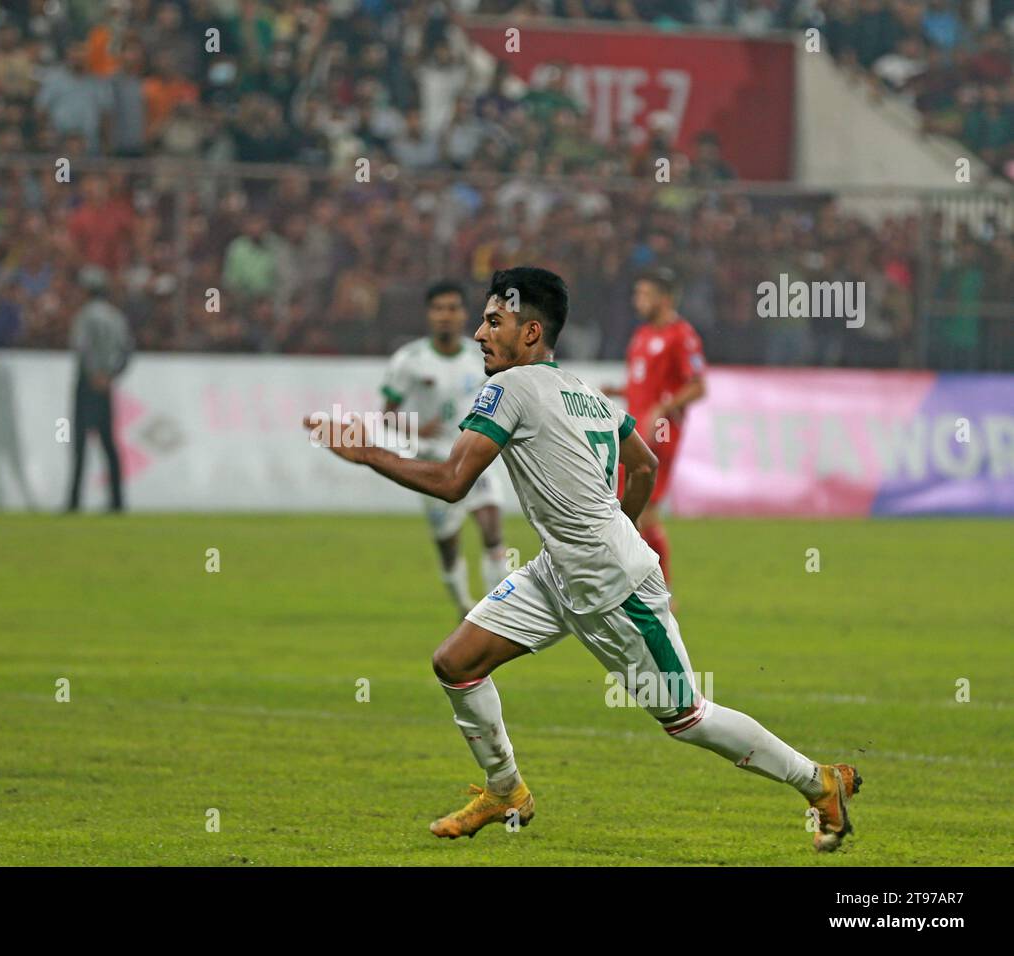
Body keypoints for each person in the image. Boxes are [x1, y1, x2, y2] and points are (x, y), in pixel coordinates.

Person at [305, 266, 861, 851]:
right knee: (457, 662)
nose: (478, 333)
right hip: (559, 570)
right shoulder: (584, 392)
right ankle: (505, 791)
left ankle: (818, 781)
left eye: (494, 321)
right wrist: (619, 523)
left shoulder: (510, 388)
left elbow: (450, 480)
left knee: (686, 717)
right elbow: (642, 464)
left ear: (530, 332)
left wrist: (363, 449)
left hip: (612, 587)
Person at [381, 281, 508, 615]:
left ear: (465, 314)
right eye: (439, 309)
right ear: (429, 315)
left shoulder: (482, 353)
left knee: (492, 527)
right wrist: (414, 427)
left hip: (475, 455)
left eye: (452, 308)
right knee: (449, 545)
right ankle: (465, 605)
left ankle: (500, 613)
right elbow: (387, 416)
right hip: (433, 461)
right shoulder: (409, 360)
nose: (445, 316)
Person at [606, 267, 706, 586]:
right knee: (629, 513)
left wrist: (662, 408)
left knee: (640, 512)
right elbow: (643, 386)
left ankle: (660, 590)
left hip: (661, 433)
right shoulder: (642, 335)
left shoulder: (682, 335)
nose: (637, 300)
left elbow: (698, 386)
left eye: (644, 294)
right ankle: (645, 587)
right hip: (634, 433)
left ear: (664, 299)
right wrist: (618, 391)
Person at [66, 265, 132, 513]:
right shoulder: (116, 316)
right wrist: (110, 375)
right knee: (109, 444)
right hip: (106, 385)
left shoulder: (85, 315)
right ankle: (117, 501)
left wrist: (94, 374)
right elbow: (126, 350)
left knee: (80, 445)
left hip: (87, 382)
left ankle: (74, 501)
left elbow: (81, 347)